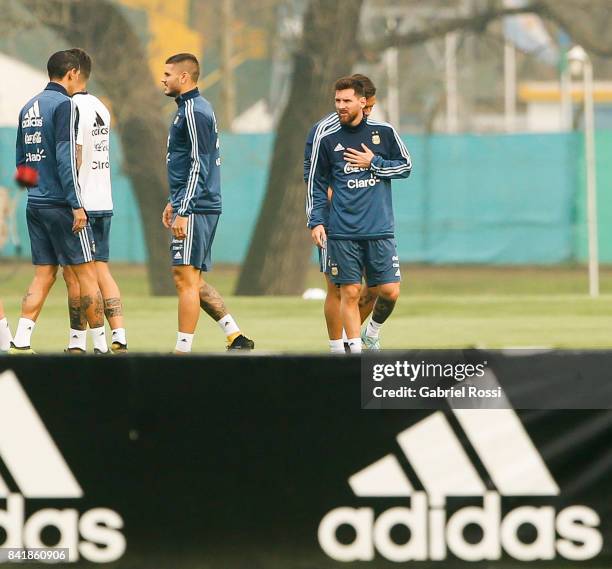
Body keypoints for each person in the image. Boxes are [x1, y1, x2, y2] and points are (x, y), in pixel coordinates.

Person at [11, 49, 108, 354]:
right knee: (87, 275)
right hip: (60, 205)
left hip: (35, 203)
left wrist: (34, 194)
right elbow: (66, 158)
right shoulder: (65, 105)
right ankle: (102, 347)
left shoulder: (28, 107)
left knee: (44, 274)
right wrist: (76, 204)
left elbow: (21, 161)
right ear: (72, 73)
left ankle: (21, 342)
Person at [307, 76, 412, 353]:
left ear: (363, 102)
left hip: (379, 228)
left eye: (346, 100)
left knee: (389, 291)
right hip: (342, 229)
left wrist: (373, 162)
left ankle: (371, 333)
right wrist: (316, 220)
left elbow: (405, 167)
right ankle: (348, 352)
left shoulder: (384, 132)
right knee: (347, 291)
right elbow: (315, 182)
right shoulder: (326, 137)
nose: (341, 106)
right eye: (337, 101)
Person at [160, 53, 254, 353]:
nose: (163, 79)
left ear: (184, 77)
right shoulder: (191, 108)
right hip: (192, 202)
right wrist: (174, 202)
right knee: (192, 279)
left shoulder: (193, 111)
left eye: (168, 74)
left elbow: (200, 165)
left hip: (197, 207)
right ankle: (235, 335)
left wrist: (184, 209)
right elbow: (188, 163)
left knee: (184, 278)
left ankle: (182, 351)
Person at [304, 74, 379, 353]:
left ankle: (358, 338)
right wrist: (322, 211)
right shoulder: (323, 131)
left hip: (369, 221)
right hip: (336, 221)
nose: (368, 112)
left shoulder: (374, 130)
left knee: (376, 288)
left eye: (370, 108)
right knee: (338, 287)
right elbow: (312, 175)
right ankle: (338, 350)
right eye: (367, 107)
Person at [60, 48, 128, 354]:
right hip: (104, 199)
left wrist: (68, 195)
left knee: (77, 275)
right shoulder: (101, 105)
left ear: (72, 73)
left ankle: (85, 342)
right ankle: (120, 335)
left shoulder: (72, 106)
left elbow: (76, 153)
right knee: (101, 271)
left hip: (82, 203)